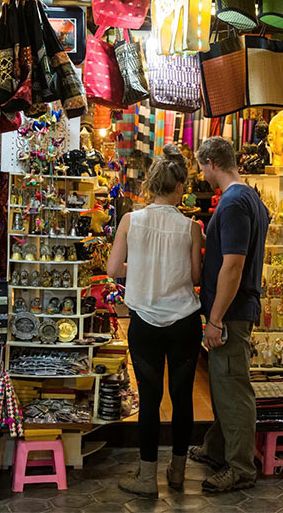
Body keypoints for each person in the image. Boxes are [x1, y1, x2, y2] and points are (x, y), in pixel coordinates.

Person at [107, 144, 203, 499]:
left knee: (149, 399)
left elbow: (113, 269)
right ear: (178, 187)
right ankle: (177, 472)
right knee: (182, 398)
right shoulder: (191, 227)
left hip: (144, 321)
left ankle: (146, 478)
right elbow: (195, 274)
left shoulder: (131, 220)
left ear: (150, 185)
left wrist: (142, 270)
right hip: (184, 321)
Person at [191, 136, 269, 492]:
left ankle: (239, 467)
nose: (199, 173)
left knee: (233, 387)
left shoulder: (235, 202)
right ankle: (216, 448)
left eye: (200, 166)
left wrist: (216, 318)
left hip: (232, 311)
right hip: (235, 308)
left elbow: (233, 266)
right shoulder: (248, 196)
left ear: (211, 162)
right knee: (223, 384)